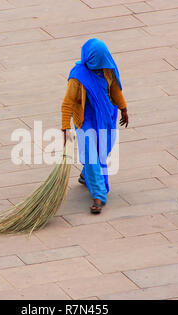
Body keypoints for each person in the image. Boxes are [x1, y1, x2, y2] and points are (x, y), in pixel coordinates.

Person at [61, 38, 128, 214]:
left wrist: (124, 109)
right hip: (85, 120)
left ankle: (86, 174)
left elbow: (115, 90)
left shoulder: (107, 69)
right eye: (95, 65)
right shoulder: (78, 76)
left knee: (102, 151)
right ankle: (98, 195)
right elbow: (68, 103)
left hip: (105, 117)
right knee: (92, 154)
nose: (99, 68)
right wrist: (65, 127)